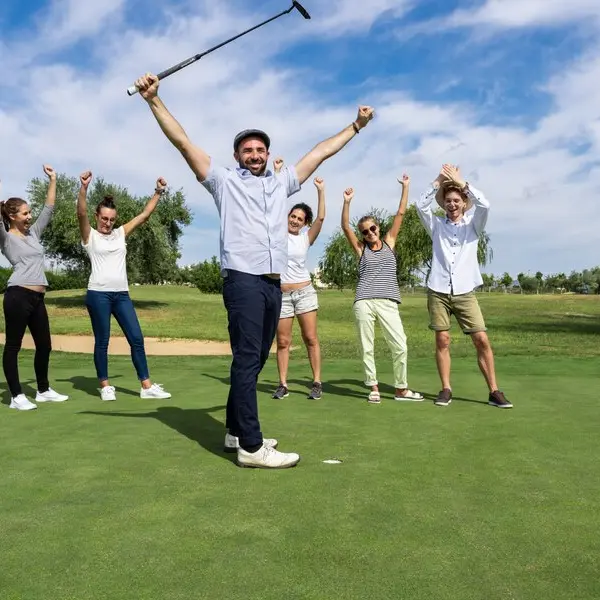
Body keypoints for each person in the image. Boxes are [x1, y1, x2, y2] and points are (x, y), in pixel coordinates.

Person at [133, 71, 374, 468]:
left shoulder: (281, 183)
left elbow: (319, 153)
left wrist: (355, 126)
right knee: (247, 359)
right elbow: (182, 141)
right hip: (242, 280)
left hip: (273, 284)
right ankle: (251, 446)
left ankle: (233, 431)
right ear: (237, 157)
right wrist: (154, 100)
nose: (256, 155)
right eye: (248, 150)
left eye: (261, 149)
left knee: (255, 358)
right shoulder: (222, 181)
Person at [416, 164, 512, 408]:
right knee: (443, 340)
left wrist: (463, 182)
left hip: (464, 292)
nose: (452, 204)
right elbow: (419, 205)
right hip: (438, 290)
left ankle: (494, 391)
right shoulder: (436, 226)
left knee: (481, 339)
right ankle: (446, 388)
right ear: (444, 204)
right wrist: (438, 180)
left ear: (463, 202)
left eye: (457, 200)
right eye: (448, 200)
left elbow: (485, 205)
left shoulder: (473, 225)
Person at [76, 170, 172, 402]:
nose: (108, 223)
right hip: (98, 294)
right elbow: (80, 212)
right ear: (97, 216)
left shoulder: (120, 233)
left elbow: (144, 215)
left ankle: (146, 386)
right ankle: (105, 386)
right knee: (103, 341)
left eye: (111, 219)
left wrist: (158, 191)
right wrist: (84, 187)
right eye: (104, 218)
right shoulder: (90, 236)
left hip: (121, 295)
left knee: (136, 338)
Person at [341, 175, 423, 404]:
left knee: (400, 345)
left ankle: (401, 389)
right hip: (364, 301)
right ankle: (373, 387)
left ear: (378, 227)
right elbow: (345, 227)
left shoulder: (389, 242)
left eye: (372, 228)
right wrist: (347, 202)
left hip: (388, 301)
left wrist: (406, 186)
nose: (370, 233)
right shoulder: (361, 250)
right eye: (365, 231)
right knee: (367, 346)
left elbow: (400, 213)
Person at [0, 165, 69, 410]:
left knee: (45, 345)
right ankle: (16, 396)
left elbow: (49, 208)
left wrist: (53, 179)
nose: (30, 217)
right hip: (17, 295)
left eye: (30, 213)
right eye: (25, 213)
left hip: (38, 298)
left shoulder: (34, 234)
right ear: (12, 216)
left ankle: (42, 390)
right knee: (13, 346)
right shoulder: (6, 237)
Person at [271, 159, 325, 401]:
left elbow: (321, 218)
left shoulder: (305, 238)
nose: (294, 220)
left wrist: (320, 191)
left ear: (305, 223)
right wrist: (277, 173)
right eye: (292, 216)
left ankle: (316, 382)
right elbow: (271, 204)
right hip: (281, 294)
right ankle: (283, 384)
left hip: (304, 292)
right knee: (282, 341)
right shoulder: (276, 231)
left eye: (299, 219)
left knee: (310, 338)